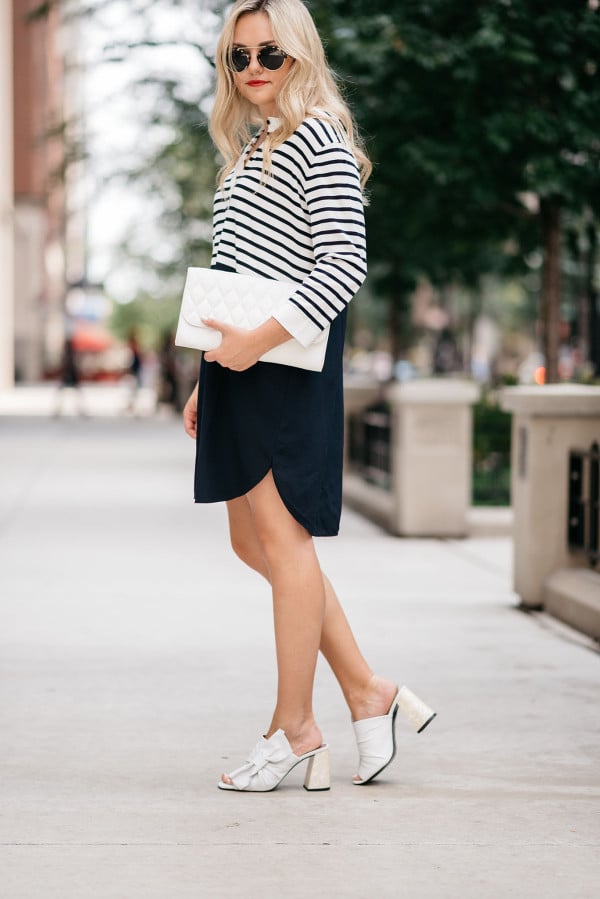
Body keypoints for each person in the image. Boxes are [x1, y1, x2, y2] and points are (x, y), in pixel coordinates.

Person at [183, 0, 436, 793]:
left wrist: (251, 348)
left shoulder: (317, 136)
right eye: (239, 58)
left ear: (299, 56)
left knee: (286, 550)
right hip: (238, 369)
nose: (254, 69)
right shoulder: (251, 146)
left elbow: (342, 265)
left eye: (270, 54)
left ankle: (295, 729)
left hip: (283, 369)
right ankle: (368, 689)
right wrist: (207, 372)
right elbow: (235, 271)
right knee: (252, 545)